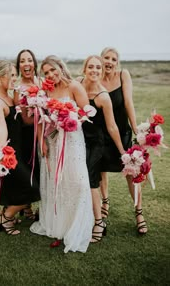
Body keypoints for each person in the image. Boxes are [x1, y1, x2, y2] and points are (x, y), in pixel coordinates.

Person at [30, 55, 94, 253]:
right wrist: (41, 140)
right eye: (46, 72)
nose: (50, 74)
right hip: (52, 141)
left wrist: (71, 120)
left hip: (73, 140)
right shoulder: (45, 92)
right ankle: (59, 224)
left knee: (79, 182)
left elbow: (88, 111)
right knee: (57, 182)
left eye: (52, 70)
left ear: (60, 67)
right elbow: (40, 118)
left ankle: (77, 224)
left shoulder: (74, 86)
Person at [0, 60, 40, 235]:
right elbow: (1, 128)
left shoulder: (8, 96)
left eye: (14, 75)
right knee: (33, 187)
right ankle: (6, 217)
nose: (14, 78)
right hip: (9, 155)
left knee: (23, 186)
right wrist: (2, 157)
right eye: (11, 75)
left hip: (18, 151)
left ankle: (7, 215)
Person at [99, 47, 147, 235]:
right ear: (101, 59)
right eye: (106, 58)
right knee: (101, 171)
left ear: (117, 62)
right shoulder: (95, 79)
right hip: (101, 135)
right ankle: (105, 202)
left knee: (131, 174)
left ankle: (139, 212)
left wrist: (136, 130)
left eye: (113, 59)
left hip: (123, 133)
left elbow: (128, 102)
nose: (109, 61)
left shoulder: (123, 75)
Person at [79, 55, 125, 242]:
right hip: (79, 140)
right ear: (84, 69)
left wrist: (122, 151)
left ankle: (99, 222)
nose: (95, 70)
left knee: (90, 178)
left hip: (97, 143)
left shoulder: (104, 97)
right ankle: (82, 217)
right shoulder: (78, 84)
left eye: (98, 68)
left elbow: (112, 126)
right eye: (91, 67)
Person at [15, 49, 41, 220]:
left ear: (34, 63)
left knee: (41, 169)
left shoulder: (42, 82)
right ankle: (26, 206)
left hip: (44, 133)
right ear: (19, 66)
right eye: (23, 61)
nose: (26, 64)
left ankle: (43, 207)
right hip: (27, 134)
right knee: (29, 168)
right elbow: (23, 119)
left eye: (29, 60)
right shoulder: (18, 88)